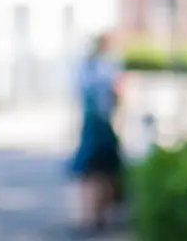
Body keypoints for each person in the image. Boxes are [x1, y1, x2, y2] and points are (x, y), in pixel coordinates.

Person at [68, 32, 124, 235]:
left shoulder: (86, 67)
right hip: (102, 124)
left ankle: (89, 216)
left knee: (89, 172)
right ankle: (100, 216)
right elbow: (118, 94)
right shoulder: (109, 66)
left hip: (91, 123)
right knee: (105, 172)